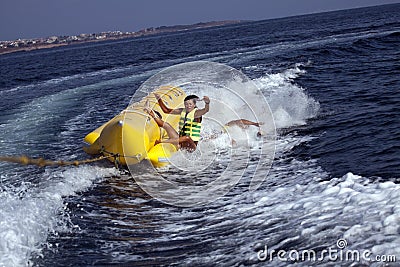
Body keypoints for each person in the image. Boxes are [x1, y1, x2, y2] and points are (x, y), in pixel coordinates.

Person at [145, 93, 210, 151]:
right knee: (167, 125)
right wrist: (159, 99)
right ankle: (149, 112)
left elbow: (205, 110)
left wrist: (207, 103)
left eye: (190, 104)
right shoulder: (182, 111)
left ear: (194, 105)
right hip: (180, 140)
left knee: (187, 138)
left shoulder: (197, 113)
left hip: (190, 145)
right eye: (186, 104)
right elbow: (166, 110)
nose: (188, 106)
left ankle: (161, 142)